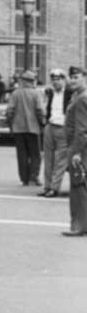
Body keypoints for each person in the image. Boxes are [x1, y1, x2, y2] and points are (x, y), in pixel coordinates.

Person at [4, 69, 45, 187]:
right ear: (33, 81)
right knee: (35, 155)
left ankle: (24, 179)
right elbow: (40, 111)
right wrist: (42, 123)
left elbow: (9, 111)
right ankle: (33, 177)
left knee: (22, 154)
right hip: (33, 128)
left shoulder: (15, 93)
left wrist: (10, 124)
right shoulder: (36, 93)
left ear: (22, 81)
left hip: (18, 129)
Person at [64, 66, 87, 236]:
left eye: (76, 77)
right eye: (71, 77)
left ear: (84, 77)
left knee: (78, 187)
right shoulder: (77, 96)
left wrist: (77, 152)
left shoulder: (81, 99)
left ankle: (79, 226)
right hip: (79, 146)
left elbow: (82, 129)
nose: (72, 80)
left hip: (79, 147)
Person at [40, 68, 70, 197]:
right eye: (53, 80)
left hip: (63, 128)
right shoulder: (50, 93)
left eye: (58, 80)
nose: (55, 82)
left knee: (60, 160)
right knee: (48, 159)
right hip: (50, 126)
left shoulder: (70, 94)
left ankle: (54, 188)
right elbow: (47, 108)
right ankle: (47, 187)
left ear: (64, 80)